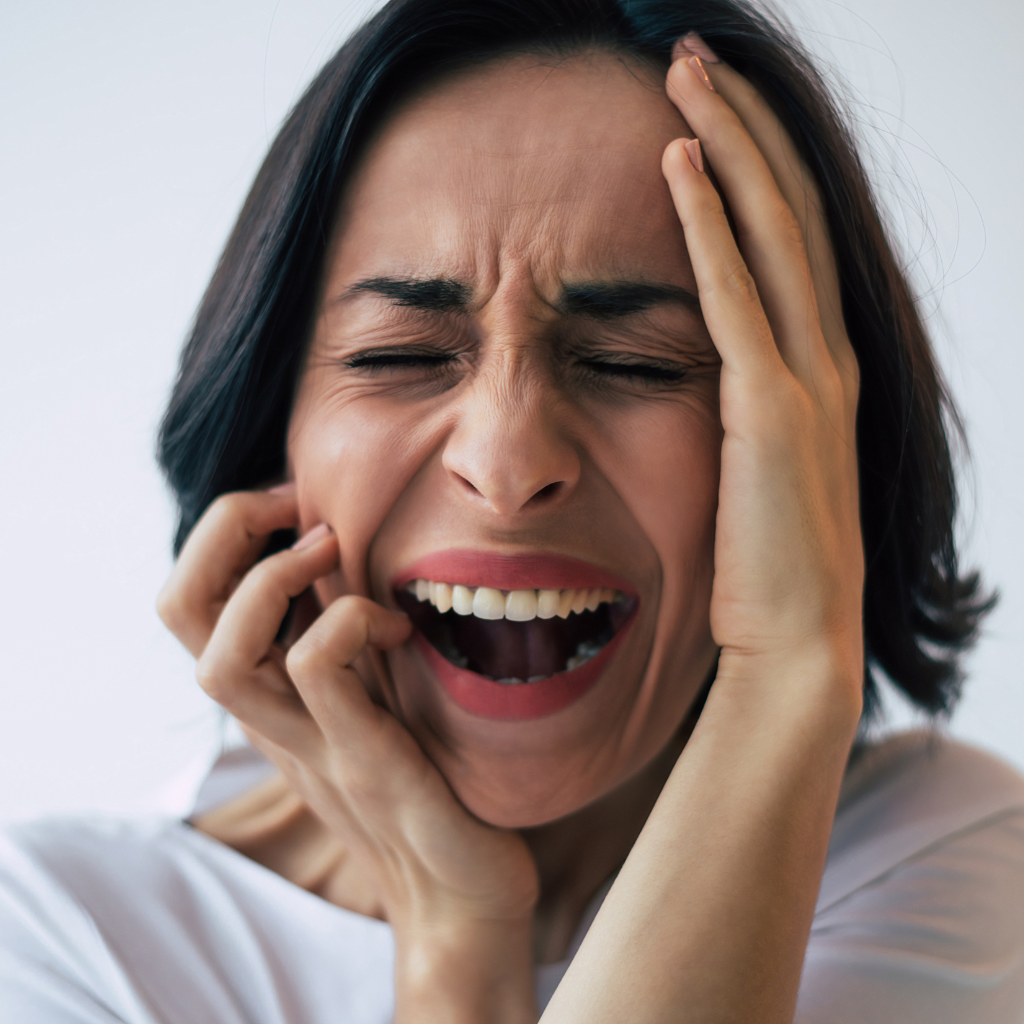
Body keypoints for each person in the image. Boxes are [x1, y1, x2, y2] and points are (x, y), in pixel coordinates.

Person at [2, 0, 1023, 1020]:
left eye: (636, 362)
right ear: (271, 433)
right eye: (399, 355)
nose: (507, 464)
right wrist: (454, 931)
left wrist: (789, 670)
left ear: (810, 448)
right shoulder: (59, 932)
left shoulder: (946, 856)